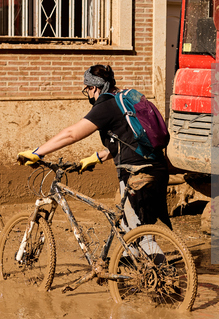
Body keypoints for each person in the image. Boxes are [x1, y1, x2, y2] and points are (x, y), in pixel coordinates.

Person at [17, 64, 172, 231]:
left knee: (139, 234)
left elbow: (71, 134)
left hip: (136, 173)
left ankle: (154, 258)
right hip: (156, 167)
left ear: (96, 88)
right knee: (131, 227)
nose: (88, 94)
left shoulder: (106, 104)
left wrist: (37, 153)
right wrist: (96, 158)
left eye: (88, 89)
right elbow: (128, 141)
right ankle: (127, 257)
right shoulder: (121, 102)